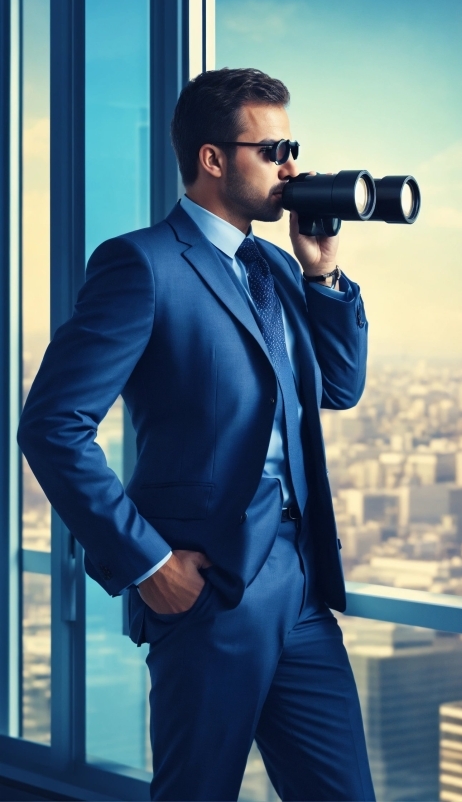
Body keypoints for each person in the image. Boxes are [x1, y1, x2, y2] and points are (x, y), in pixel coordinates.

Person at [18, 67, 375, 802]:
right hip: (208, 585)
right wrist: (150, 566)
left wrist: (324, 273)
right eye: (274, 149)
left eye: (294, 147)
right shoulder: (140, 264)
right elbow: (54, 425)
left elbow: (338, 388)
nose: (292, 168)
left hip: (303, 583)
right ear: (213, 158)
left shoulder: (277, 267)